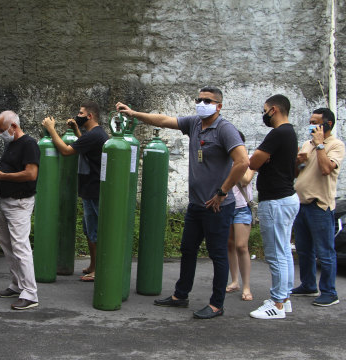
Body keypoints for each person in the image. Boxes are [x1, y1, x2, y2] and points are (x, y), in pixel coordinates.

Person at [116, 86, 249, 319]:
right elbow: (165, 120)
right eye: (199, 99)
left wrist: (222, 192)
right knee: (188, 249)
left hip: (217, 207)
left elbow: (243, 162)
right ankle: (181, 295)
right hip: (196, 204)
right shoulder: (195, 123)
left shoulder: (225, 129)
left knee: (218, 254)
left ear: (219, 106)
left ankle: (217, 304)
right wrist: (134, 113)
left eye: (207, 100)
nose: (201, 103)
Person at [41, 101, 109, 282]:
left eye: (80, 113)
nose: (77, 115)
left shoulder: (95, 135)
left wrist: (51, 128)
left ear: (90, 116)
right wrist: (75, 129)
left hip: (94, 190)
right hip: (90, 189)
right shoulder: (94, 134)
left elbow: (65, 150)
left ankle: (99, 270)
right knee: (90, 231)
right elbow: (84, 145)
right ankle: (93, 266)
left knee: (95, 231)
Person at [248, 94, 299, 320]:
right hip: (286, 198)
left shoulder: (278, 133)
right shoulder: (290, 133)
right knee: (285, 250)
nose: (264, 114)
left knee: (276, 253)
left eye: (265, 109)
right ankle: (284, 298)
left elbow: (253, 161)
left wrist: (261, 158)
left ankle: (277, 304)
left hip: (276, 201)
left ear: (274, 110)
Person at [0, 110, 40, 310]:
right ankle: (18, 284)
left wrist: (2, 176)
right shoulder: (11, 145)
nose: (1, 134)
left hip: (19, 202)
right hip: (5, 200)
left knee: (20, 247)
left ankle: (30, 293)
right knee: (7, 245)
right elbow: (10, 171)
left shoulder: (29, 144)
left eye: (2, 130)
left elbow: (31, 174)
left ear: (14, 126)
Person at [292, 108, 345, 307]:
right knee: (304, 250)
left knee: (325, 251)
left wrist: (320, 145)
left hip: (319, 206)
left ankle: (330, 292)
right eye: (311, 121)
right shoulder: (307, 143)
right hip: (302, 204)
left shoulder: (335, 145)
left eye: (316, 122)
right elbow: (298, 174)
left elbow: (325, 169)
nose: (312, 126)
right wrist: (298, 162)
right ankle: (308, 285)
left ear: (328, 125)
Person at [226, 131, 256, 301]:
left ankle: (246, 286)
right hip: (227, 206)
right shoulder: (224, 160)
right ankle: (235, 281)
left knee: (241, 246)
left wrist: (236, 163)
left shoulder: (249, 160)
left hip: (242, 207)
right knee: (230, 245)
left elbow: (245, 180)